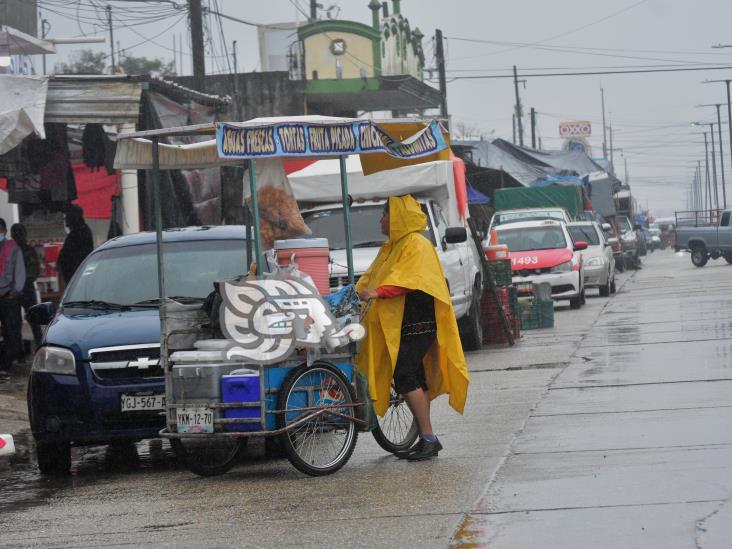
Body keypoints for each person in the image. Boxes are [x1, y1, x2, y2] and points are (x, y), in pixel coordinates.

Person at [356, 195, 470, 461]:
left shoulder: (417, 244)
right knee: (413, 377)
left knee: (405, 375)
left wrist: (377, 293)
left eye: (384, 215)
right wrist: (358, 291)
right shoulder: (392, 246)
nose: (380, 220)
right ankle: (424, 437)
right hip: (403, 323)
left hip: (420, 321)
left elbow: (408, 279)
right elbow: (372, 275)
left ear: (395, 218)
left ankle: (429, 438)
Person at [0, 218, 26, 377]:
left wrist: (14, 292)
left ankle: (6, 364)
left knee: (11, 332)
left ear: (5, 231)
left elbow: (20, 272)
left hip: (8, 296)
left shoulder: (13, 248)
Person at [11, 223, 43, 349]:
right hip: (16, 290)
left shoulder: (29, 251)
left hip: (26, 288)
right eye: (16, 234)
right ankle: (22, 350)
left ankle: (38, 347)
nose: (18, 236)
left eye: (19, 233)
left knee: (33, 320)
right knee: (15, 322)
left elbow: (34, 271)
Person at [58, 204, 94, 287]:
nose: (66, 220)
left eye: (68, 217)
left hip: (77, 277)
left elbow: (71, 255)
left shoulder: (80, 233)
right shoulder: (77, 233)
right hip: (74, 277)